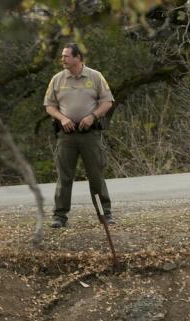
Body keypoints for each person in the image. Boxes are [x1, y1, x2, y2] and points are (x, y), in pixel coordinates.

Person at [43, 43, 115, 229]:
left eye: (66, 56)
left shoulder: (95, 76)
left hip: (89, 135)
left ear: (77, 58)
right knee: (64, 177)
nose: (62, 59)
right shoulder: (57, 79)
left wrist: (93, 117)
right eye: (62, 56)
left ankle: (105, 214)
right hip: (66, 136)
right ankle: (60, 216)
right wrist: (62, 118)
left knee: (95, 175)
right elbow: (49, 106)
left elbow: (107, 102)